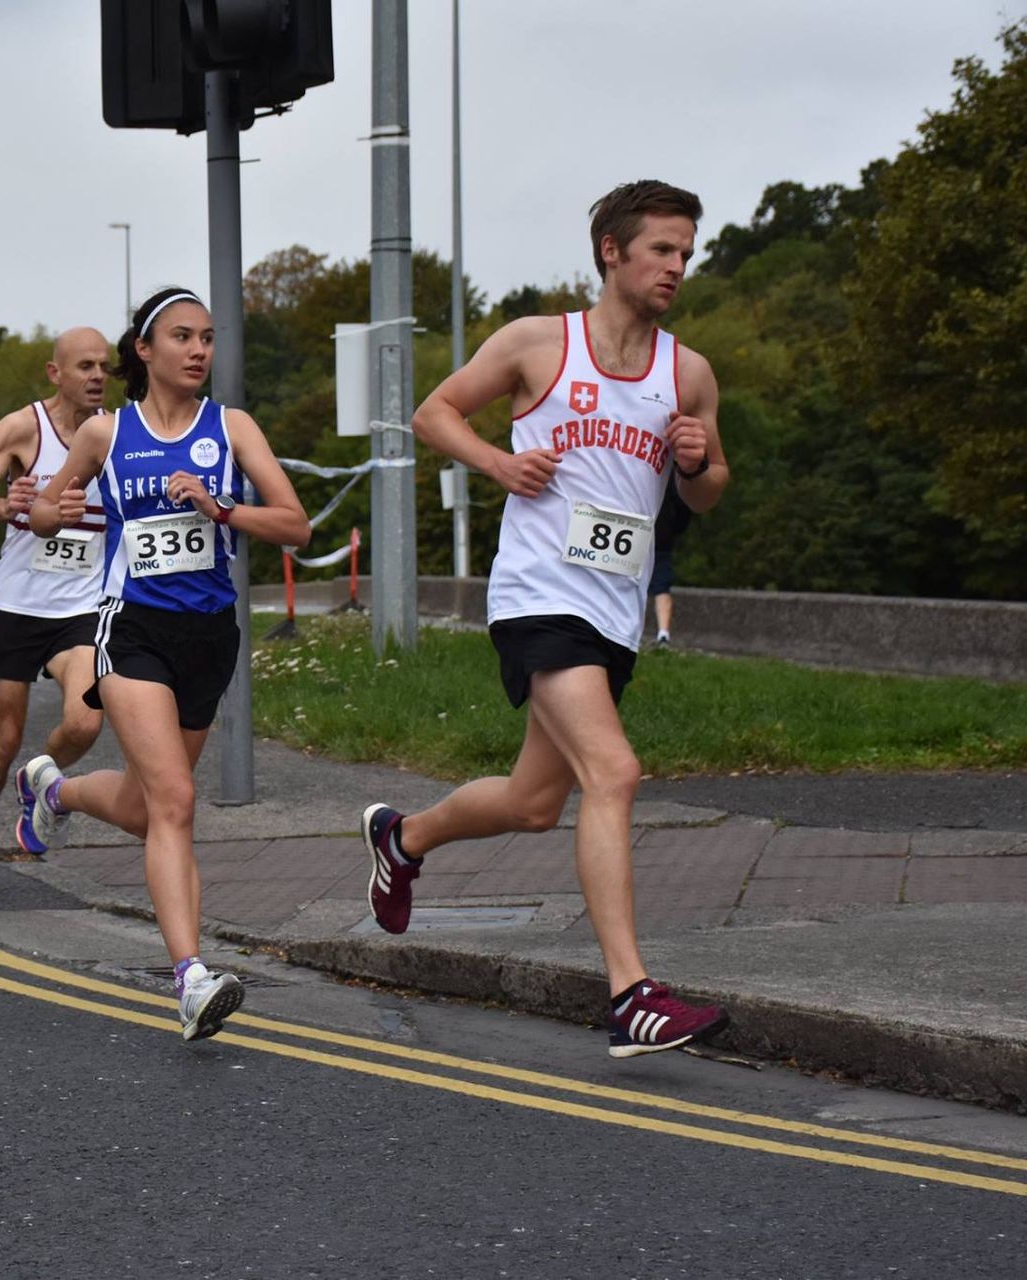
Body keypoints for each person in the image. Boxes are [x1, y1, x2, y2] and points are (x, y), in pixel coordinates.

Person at [360, 180, 731, 1058]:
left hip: (614, 608)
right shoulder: (539, 343)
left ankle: (401, 839)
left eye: (686, 253)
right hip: (538, 596)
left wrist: (697, 459)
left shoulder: (688, 372)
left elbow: (710, 495)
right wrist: (500, 461)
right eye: (662, 251)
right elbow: (433, 411)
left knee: (533, 805)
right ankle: (631, 992)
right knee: (615, 770)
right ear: (612, 250)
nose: (677, 267)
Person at [19, 290, 310, 1041]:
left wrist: (222, 509)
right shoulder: (105, 434)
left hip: (209, 634)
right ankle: (190, 978)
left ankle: (58, 791)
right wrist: (37, 506)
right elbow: (52, 511)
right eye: (182, 336)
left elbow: (295, 525)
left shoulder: (231, 427)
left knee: (155, 808)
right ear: (143, 350)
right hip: (134, 628)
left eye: (208, 339)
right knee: (176, 799)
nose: (198, 351)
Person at [0, 327, 112, 904]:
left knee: (87, 721)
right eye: (84, 366)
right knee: (4, 736)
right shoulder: (23, 428)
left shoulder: (116, 435)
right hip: (18, 604)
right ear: (54, 373)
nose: (96, 376)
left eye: (104, 367)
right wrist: (3, 504)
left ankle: (38, 780)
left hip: (83, 606)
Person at [649, 473, 691, 649]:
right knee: (662, 586)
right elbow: (683, 505)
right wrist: (674, 529)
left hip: (636, 530)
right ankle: (663, 633)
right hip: (661, 535)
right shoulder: (668, 473)